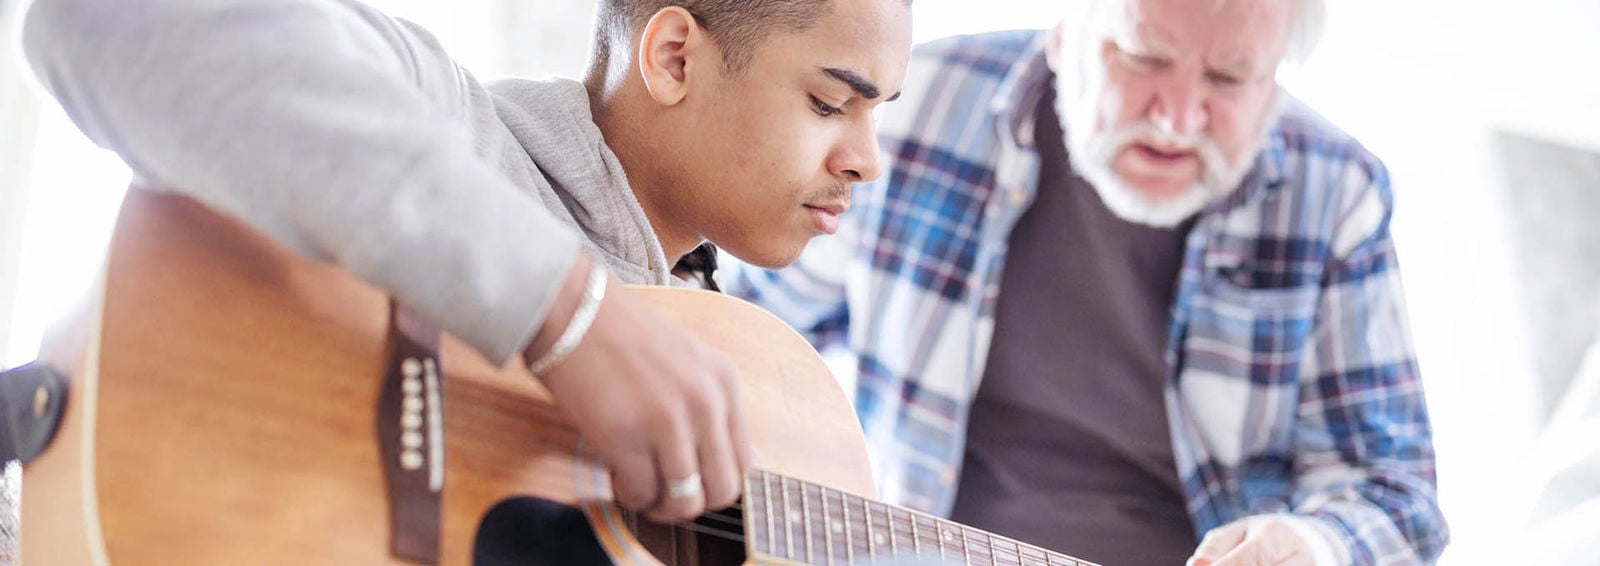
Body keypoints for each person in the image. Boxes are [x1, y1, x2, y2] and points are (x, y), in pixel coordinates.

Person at [23, 0, 909, 533]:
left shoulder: (754, 375)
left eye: (878, 114)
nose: (868, 159)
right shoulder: (445, 118)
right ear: (673, 56)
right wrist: (571, 318)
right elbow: (109, 19)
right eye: (832, 102)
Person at [724, 0, 1448, 564]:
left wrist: (1313, 547)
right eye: (1143, 59)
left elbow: (1399, 499)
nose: (1176, 119)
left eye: (1229, 79)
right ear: (1066, 36)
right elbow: (748, 336)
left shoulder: (1335, 193)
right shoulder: (917, 108)